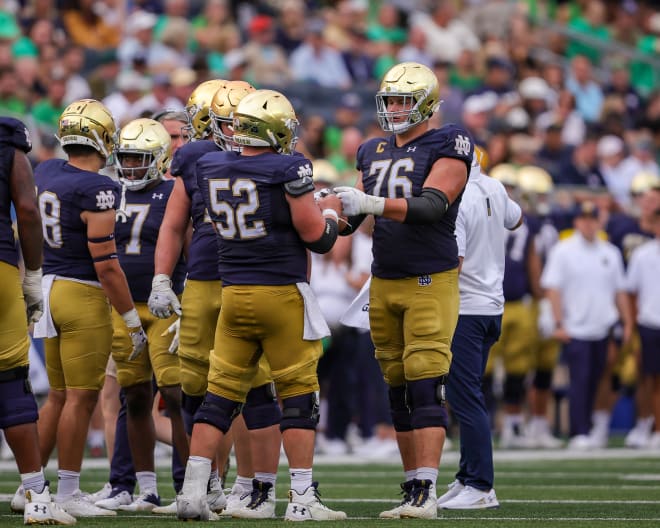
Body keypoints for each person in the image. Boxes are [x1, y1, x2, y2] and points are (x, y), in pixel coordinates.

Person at [175, 88, 346, 522]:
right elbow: (317, 238)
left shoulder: (210, 164)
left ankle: (193, 492)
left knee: (219, 395)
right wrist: (332, 212)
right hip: (279, 294)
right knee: (298, 395)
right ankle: (303, 498)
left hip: (233, 294)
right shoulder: (288, 167)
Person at [334, 61, 474, 519]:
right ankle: (413, 485)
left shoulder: (447, 141)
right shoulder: (371, 149)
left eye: (404, 101)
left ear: (427, 104)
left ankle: (429, 491)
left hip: (429, 279)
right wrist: (317, 207)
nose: (394, 109)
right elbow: (347, 222)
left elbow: (433, 205)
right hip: (385, 280)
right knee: (397, 389)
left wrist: (371, 203)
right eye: (390, 100)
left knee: (425, 382)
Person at [32, 99, 147, 517]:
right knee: (82, 398)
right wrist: (132, 320)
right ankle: (66, 493)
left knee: (59, 397)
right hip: (80, 294)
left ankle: (32, 487)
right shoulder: (99, 187)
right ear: (103, 137)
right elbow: (107, 265)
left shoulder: (45, 170)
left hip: (48, 288)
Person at [102, 117, 187, 512]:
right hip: (124, 309)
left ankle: (190, 483)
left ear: (158, 159)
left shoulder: (174, 191)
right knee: (134, 396)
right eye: (126, 158)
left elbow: (188, 247)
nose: (131, 166)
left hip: (165, 305)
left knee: (175, 395)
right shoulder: (111, 191)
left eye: (139, 159)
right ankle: (146, 489)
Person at [0, 116, 75, 525]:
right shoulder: (7, 140)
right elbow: (27, 210)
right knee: (10, 378)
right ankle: (37, 494)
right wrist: (32, 272)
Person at [437, 157, 522, 510]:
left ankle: (481, 485)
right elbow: (516, 219)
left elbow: (452, 264)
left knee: (464, 397)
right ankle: (467, 474)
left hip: (468, 309)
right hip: (492, 308)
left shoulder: (458, 197)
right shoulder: (494, 185)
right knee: (465, 393)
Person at [541, 201, 633, 449]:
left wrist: (626, 322)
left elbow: (620, 291)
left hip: (602, 325)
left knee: (599, 378)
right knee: (579, 380)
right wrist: (559, 322)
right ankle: (579, 430)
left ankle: (593, 426)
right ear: (577, 222)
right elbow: (553, 289)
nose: (589, 223)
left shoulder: (609, 252)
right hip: (576, 327)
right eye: (584, 219)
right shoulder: (564, 250)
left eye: (593, 219)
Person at [625, 187, 660, 448]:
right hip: (650, 323)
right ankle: (649, 423)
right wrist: (632, 324)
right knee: (648, 378)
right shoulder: (642, 254)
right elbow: (632, 293)